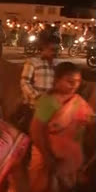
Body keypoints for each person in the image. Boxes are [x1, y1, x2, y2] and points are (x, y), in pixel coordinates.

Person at [29, 62, 95, 192]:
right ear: (57, 80)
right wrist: (48, 158)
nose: (74, 85)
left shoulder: (77, 101)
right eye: (70, 81)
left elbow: (90, 120)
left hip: (69, 159)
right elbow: (36, 131)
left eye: (78, 81)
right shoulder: (48, 101)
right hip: (47, 157)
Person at [17, 34, 60, 132]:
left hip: (53, 106)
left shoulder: (58, 64)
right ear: (43, 48)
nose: (55, 52)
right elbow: (24, 82)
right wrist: (37, 97)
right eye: (52, 49)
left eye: (57, 50)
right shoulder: (33, 62)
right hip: (34, 105)